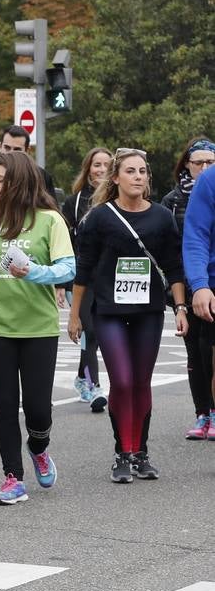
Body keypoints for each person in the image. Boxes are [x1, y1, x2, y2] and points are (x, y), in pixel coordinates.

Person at [73, 148, 186, 483]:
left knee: (141, 381)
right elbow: (85, 268)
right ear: (116, 178)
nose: (138, 177)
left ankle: (140, 453)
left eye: (143, 172)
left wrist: (180, 308)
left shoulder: (161, 217)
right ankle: (122, 452)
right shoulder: (101, 217)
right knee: (121, 380)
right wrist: (75, 316)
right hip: (108, 311)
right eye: (131, 171)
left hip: (148, 311)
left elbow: (174, 266)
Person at [0, 151, 75, 505]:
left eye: (1, 179)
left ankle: (38, 446)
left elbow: (67, 269)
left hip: (38, 328)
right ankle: (12, 477)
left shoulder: (50, 220)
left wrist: (34, 271)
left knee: (37, 408)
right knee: (4, 405)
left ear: (19, 180)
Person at [164, 138, 215, 438]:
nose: (205, 166)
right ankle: (204, 412)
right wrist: (197, 287)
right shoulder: (205, 185)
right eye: (200, 161)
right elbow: (193, 239)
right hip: (201, 284)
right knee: (200, 353)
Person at [62, 147, 112, 410]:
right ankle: (94, 387)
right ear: (87, 168)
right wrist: (61, 283)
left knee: (96, 334)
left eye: (106, 164)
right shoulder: (73, 202)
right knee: (88, 330)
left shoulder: (117, 198)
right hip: (80, 276)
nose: (101, 169)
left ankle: (82, 377)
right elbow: (64, 243)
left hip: (107, 276)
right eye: (96, 164)